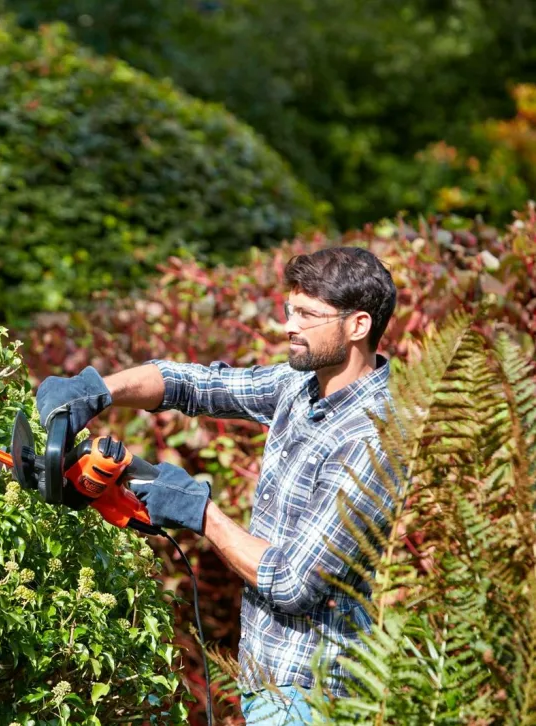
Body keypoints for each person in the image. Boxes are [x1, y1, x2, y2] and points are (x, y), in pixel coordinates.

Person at [36, 247, 398, 725]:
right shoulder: (303, 386)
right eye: (290, 310)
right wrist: (99, 389)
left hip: (314, 697)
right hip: (268, 677)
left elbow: (293, 583)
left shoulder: (371, 437)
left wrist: (198, 511)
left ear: (358, 326)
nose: (290, 326)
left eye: (308, 315)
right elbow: (193, 384)